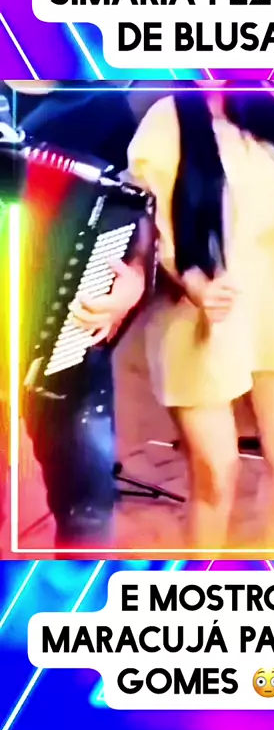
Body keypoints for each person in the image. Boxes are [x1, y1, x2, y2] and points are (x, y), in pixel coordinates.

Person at [70, 80, 274, 554]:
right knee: (216, 475)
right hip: (194, 317)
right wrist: (194, 281)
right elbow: (146, 224)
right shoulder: (165, 118)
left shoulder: (268, 108)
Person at [6, 80, 138, 549]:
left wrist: (134, 279)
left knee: (87, 511)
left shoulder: (103, 104)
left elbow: (137, 210)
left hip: (69, 340)